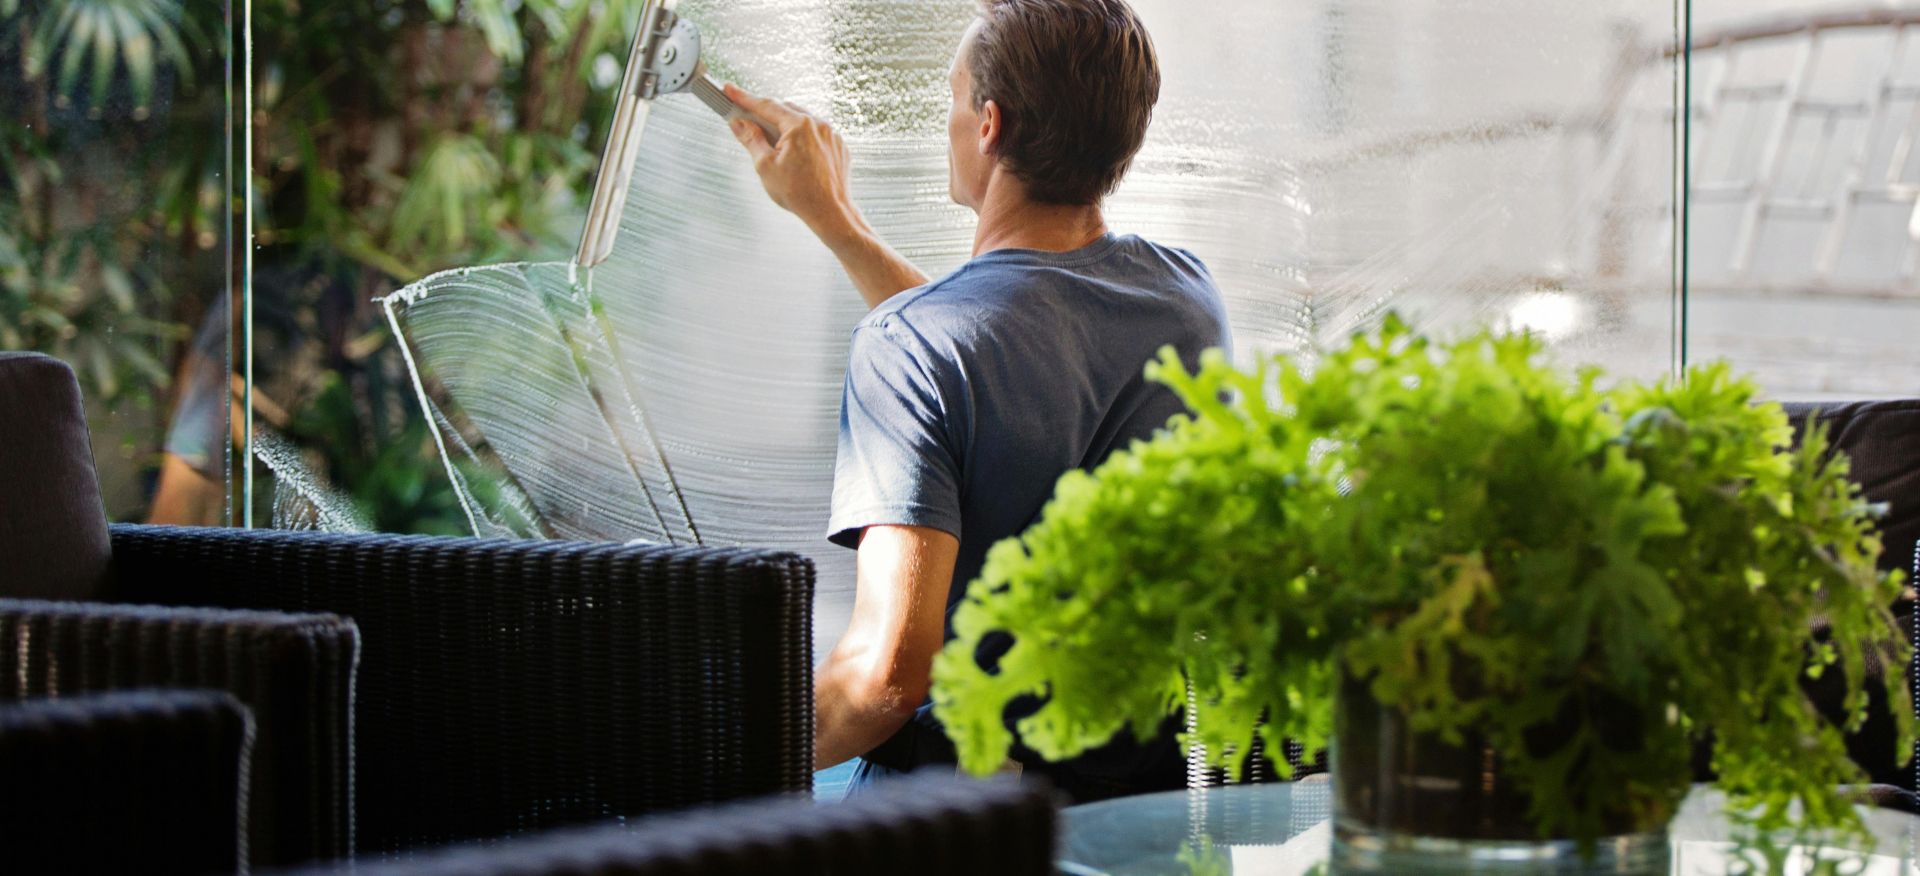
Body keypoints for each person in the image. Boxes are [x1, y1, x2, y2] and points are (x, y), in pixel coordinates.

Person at [724, 0, 1230, 802]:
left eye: (952, 98)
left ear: (989, 125)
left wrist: (701, 748)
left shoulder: (912, 348)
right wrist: (839, 222)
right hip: (1140, 810)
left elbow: (884, 681)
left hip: (965, 820)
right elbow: (1010, 349)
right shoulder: (1188, 301)